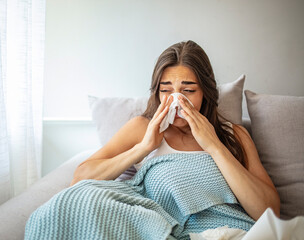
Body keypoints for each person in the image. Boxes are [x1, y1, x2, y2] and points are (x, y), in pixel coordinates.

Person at [70, 40, 280, 221]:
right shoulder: (141, 127)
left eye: (188, 90)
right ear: (157, 92)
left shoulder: (234, 135)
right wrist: (143, 148)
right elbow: (80, 180)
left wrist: (215, 146)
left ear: (205, 92)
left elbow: (270, 212)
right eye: (166, 90)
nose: (177, 101)